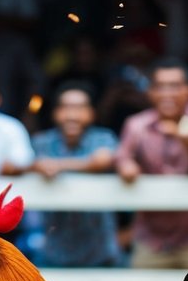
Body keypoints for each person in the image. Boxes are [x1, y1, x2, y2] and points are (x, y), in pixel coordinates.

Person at [115, 57, 188, 271]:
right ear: (150, 92)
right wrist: (126, 166)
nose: (167, 94)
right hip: (151, 235)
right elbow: (121, 156)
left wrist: (183, 136)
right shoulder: (137, 124)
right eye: (160, 87)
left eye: (174, 86)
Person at [29, 83, 121, 269]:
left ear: (91, 113)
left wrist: (58, 165)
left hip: (99, 249)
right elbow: (21, 165)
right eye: (66, 107)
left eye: (80, 108)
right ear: (56, 113)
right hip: (54, 248)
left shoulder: (104, 138)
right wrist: (35, 166)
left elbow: (101, 161)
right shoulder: (41, 142)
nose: (72, 115)